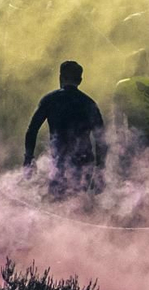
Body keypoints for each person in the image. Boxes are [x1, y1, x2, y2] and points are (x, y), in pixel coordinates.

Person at [25, 60, 107, 196]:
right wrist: (100, 171)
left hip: (60, 161)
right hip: (84, 161)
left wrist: (29, 158)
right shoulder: (89, 103)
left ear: (60, 77)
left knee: (57, 204)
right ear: (80, 80)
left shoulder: (50, 100)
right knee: (78, 203)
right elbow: (100, 138)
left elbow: (32, 130)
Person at [114, 49, 149, 149]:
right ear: (146, 66)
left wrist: (121, 143)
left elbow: (118, 117)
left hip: (137, 139)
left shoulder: (122, 85)